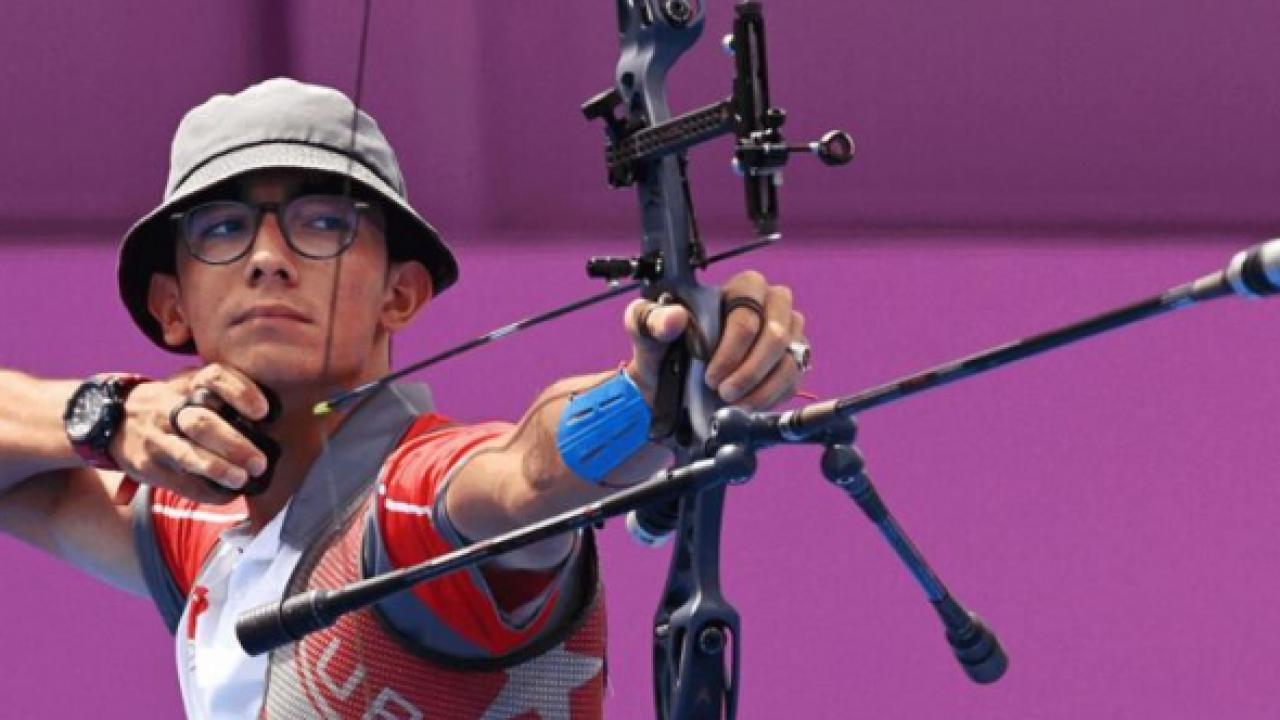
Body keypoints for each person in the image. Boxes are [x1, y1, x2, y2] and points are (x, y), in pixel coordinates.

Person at [0, 77, 810, 719]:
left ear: (401, 293)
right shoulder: (201, 517)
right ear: (171, 307)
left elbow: (526, 473)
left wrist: (654, 390)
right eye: (221, 228)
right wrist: (105, 415)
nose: (268, 257)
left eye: (323, 222)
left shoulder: (418, 503)